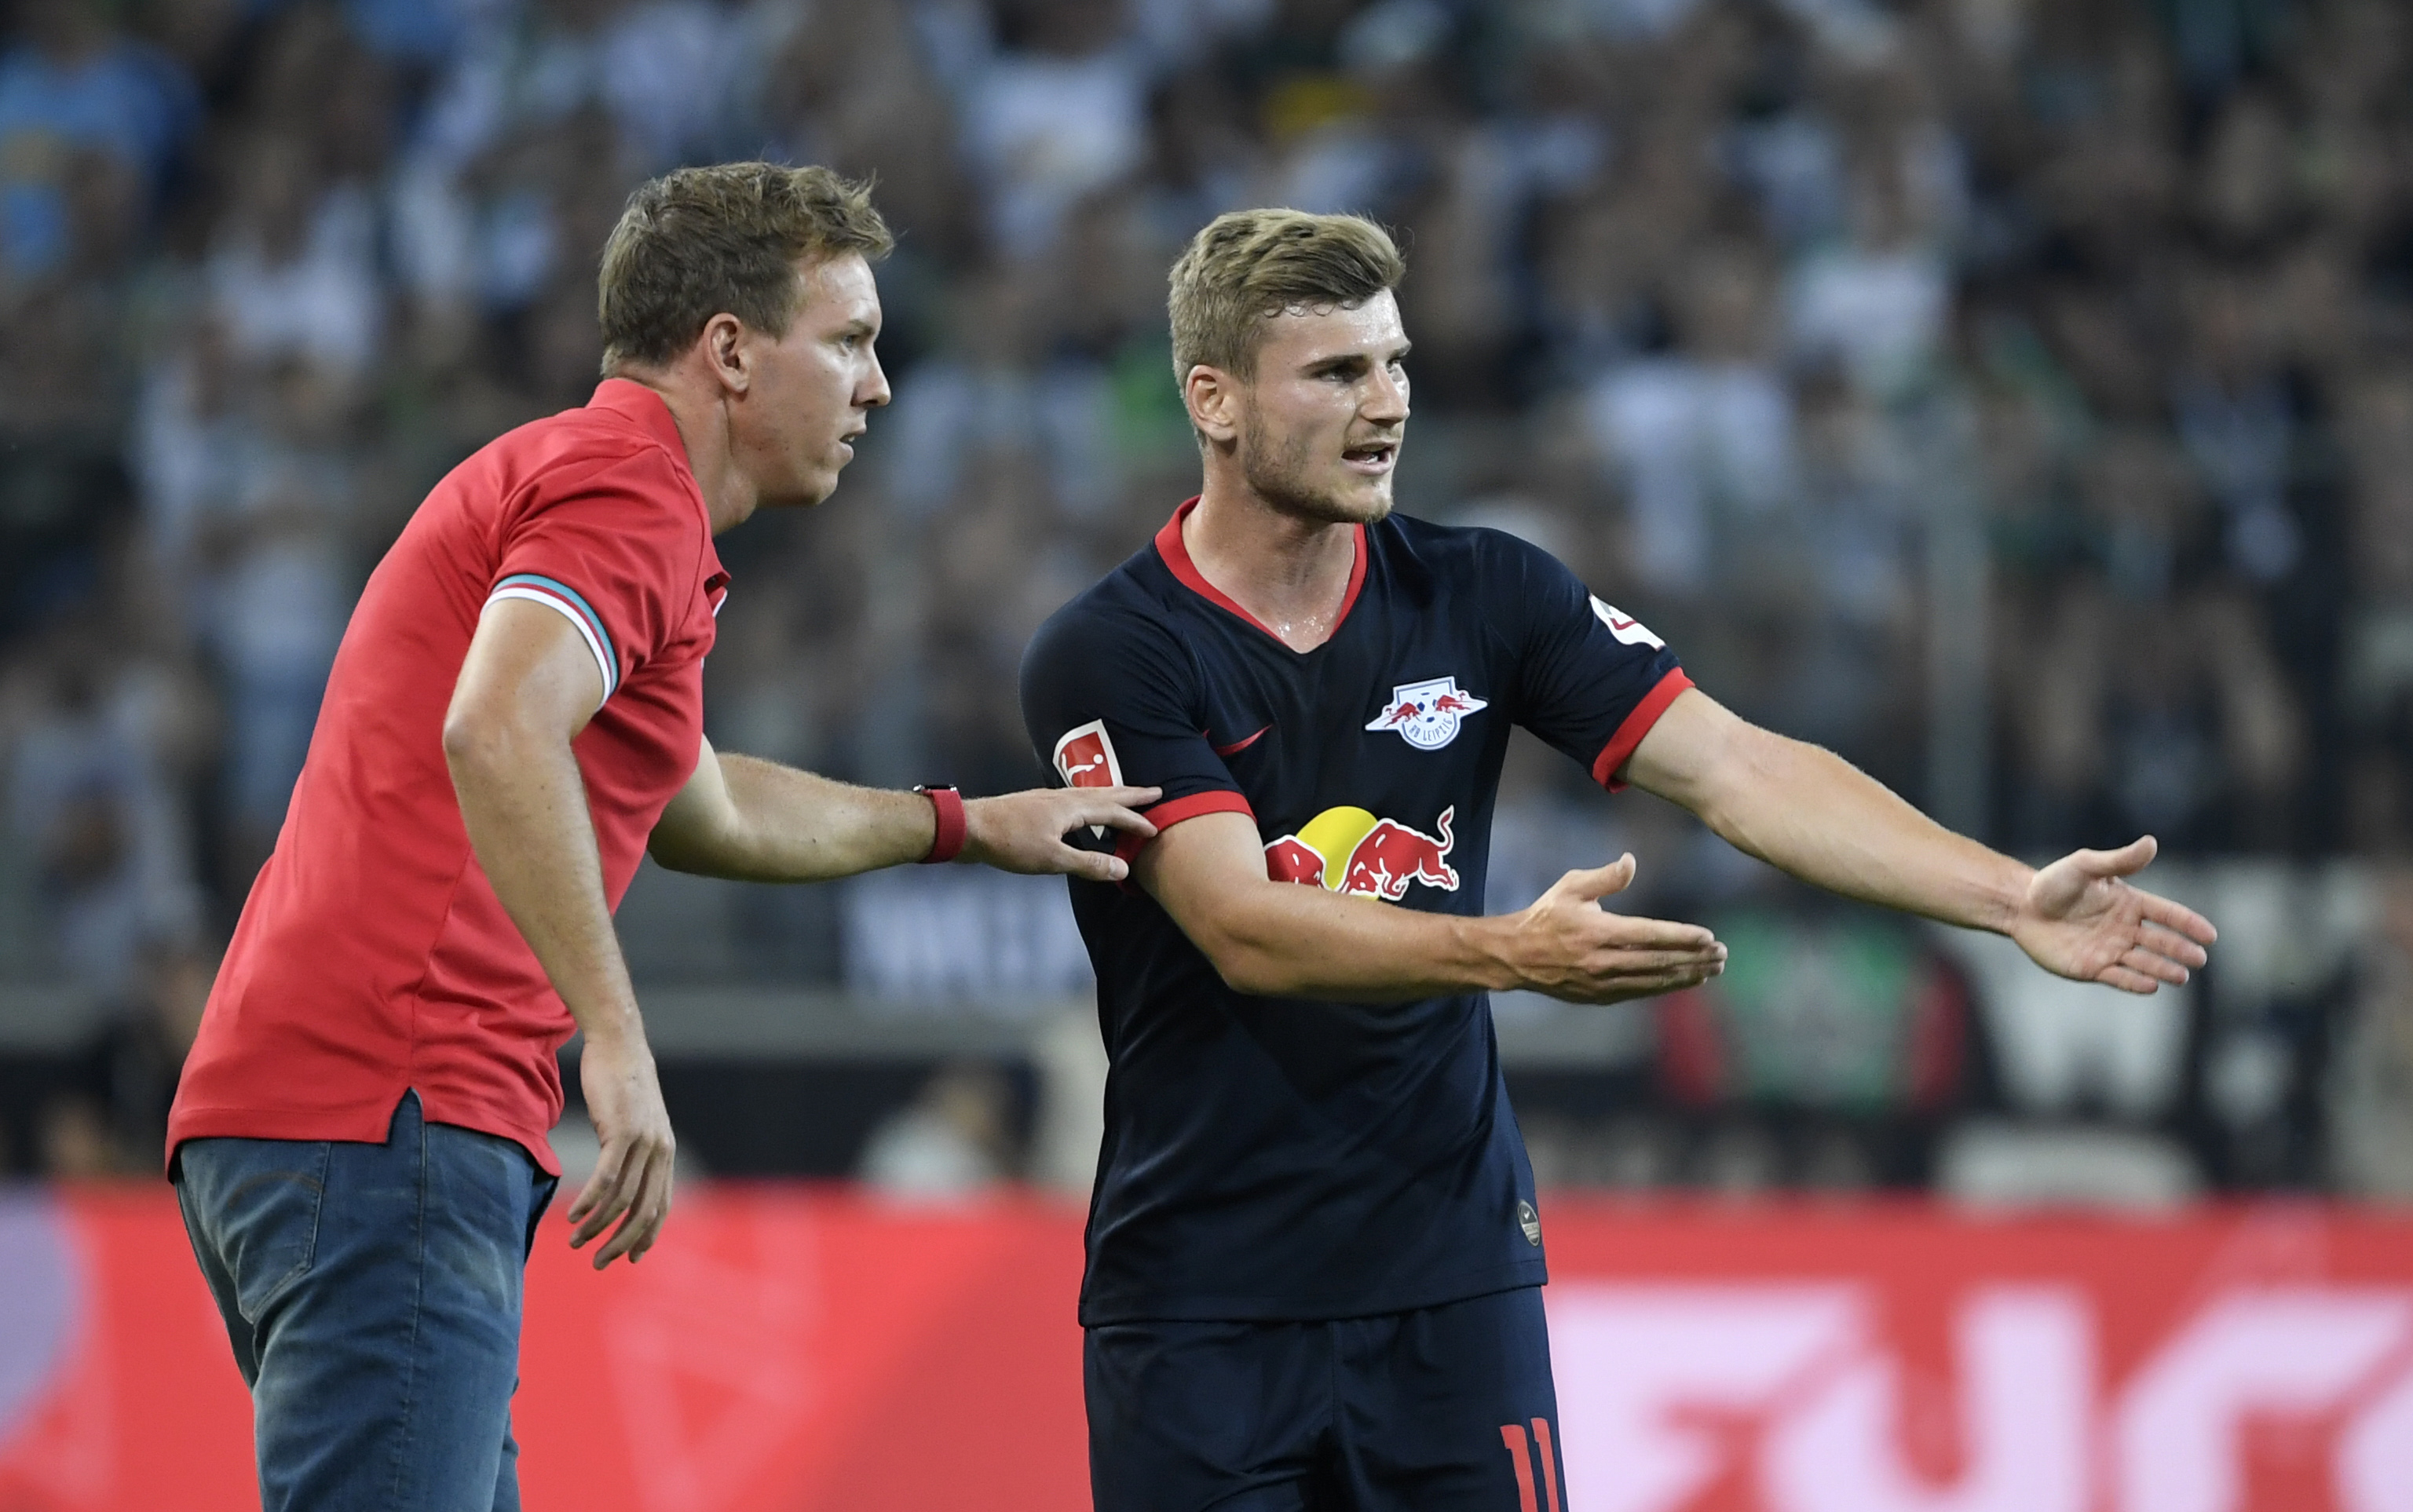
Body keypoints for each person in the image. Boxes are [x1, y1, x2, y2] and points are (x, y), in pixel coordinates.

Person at [1018, 209, 2217, 1512]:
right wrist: (1510, 953)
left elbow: (1738, 767)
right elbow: (1241, 928)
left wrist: (2006, 894)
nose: (1387, 404)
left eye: (1396, 364)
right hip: (1200, 1302)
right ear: (1215, 400)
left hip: (1451, 1283)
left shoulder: (1484, 592)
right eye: (1336, 372)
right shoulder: (1113, 651)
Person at [166, 163, 1157, 1511]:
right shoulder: (627, 487)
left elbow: (711, 808)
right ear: (731, 352)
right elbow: (496, 728)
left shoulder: (604, 490)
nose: (877, 387)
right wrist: (616, 1039)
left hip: (340, 1116)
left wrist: (966, 824)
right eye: (850, 342)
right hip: (392, 1105)